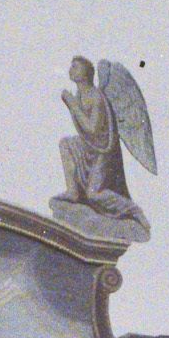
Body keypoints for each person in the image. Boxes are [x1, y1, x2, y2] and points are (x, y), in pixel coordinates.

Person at [58, 57, 145, 225]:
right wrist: (74, 104)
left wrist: (73, 105)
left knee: (93, 194)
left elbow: (92, 129)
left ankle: (133, 210)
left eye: (75, 67)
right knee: (66, 144)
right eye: (71, 66)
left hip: (103, 153)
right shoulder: (81, 94)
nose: (71, 69)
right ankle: (72, 191)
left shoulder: (95, 96)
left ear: (86, 73)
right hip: (91, 147)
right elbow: (85, 132)